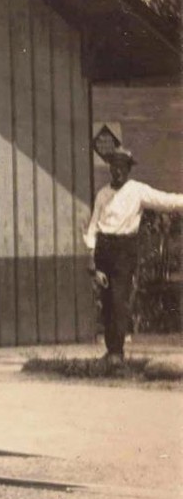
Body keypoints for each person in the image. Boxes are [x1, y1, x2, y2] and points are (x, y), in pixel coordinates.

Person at [83, 146, 183, 362]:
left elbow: (165, 201)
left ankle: (117, 352)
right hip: (104, 250)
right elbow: (93, 226)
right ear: (110, 168)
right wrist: (91, 255)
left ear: (128, 169)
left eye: (122, 166)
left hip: (124, 250)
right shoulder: (103, 194)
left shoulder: (137, 190)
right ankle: (111, 350)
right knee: (107, 302)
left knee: (119, 299)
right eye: (114, 166)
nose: (117, 171)